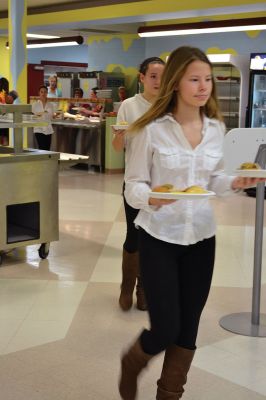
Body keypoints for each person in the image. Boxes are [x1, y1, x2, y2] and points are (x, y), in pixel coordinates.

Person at [118, 46, 266, 400]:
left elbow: (214, 181)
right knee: (165, 326)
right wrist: (151, 196)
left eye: (208, 80)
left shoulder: (216, 129)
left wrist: (235, 182)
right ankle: (133, 360)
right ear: (175, 83)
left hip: (202, 238)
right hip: (159, 237)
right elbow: (133, 185)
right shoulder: (151, 129)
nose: (204, 87)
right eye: (194, 79)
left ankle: (169, 394)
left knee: (188, 330)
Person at [112, 57, 165, 312]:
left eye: (162, 76)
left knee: (153, 238)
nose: (158, 81)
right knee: (134, 236)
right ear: (142, 77)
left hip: (162, 185)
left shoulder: (170, 105)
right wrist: (120, 136)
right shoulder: (129, 106)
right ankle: (126, 287)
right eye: (153, 76)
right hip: (134, 181)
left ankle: (144, 289)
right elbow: (117, 146)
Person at [32, 85, 54, 151]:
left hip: (48, 129)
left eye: (45, 92)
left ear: (47, 93)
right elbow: (34, 117)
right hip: (39, 129)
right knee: (41, 148)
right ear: (39, 93)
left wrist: (45, 113)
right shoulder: (35, 104)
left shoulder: (50, 105)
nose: (43, 94)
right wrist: (42, 113)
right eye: (42, 92)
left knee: (47, 149)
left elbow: (51, 116)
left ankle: (47, 161)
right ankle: (41, 161)